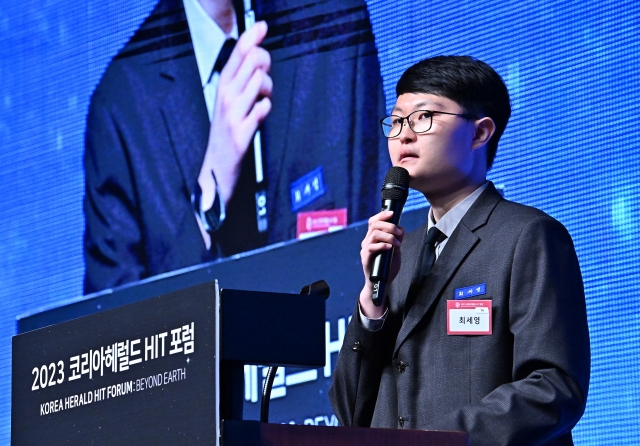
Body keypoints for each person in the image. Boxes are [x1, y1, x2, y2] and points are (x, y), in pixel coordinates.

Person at [329, 56, 590, 445]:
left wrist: (440, 440)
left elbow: (552, 388)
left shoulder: (528, 236)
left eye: (423, 118)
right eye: (397, 120)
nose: (404, 135)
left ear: (480, 133)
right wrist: (372, 303)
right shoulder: (401, 250)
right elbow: (352, 412)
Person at [83, 0, 389, 293]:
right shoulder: (119, 105)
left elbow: (381, 245)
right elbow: (111, 333)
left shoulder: (332, 25)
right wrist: (210, 194)